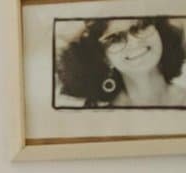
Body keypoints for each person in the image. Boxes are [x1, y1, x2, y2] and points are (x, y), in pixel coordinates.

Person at [57, 17, 186, 108]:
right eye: (115, 38)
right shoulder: (98, 117)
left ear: (159, 31)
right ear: (104, 57)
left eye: (141, 26)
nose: (134, 43)